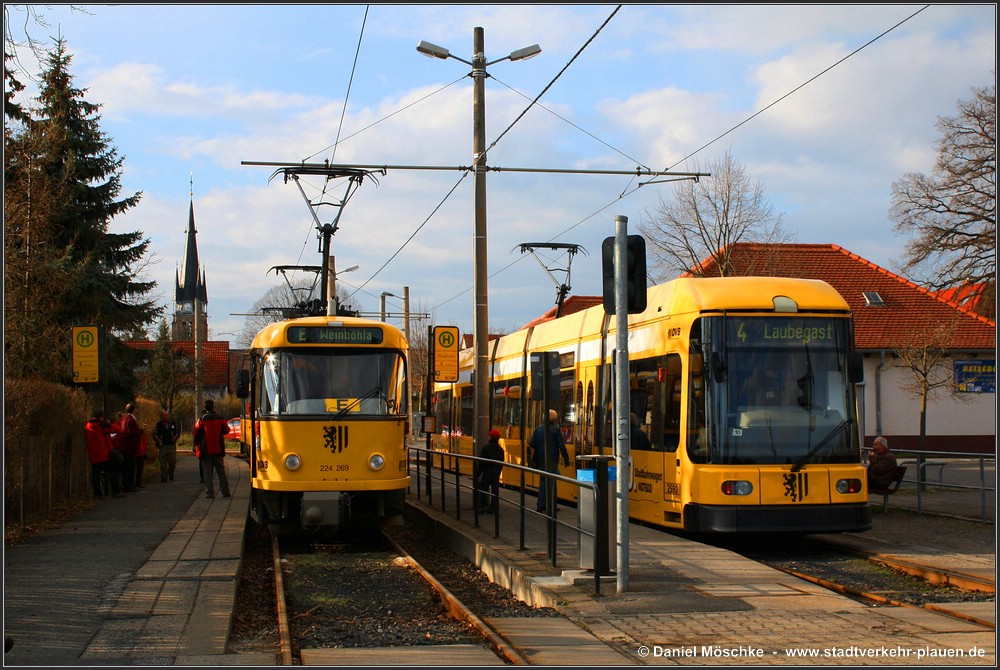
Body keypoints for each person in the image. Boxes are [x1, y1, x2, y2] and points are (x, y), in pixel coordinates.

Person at [529, 409, 569, 512]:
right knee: (551, 481)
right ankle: (551, 505)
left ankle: (541, 505)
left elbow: (531, 443)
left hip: (540, 459)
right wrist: (566, 458)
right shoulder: (555, 429)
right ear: (554, 419)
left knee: (543, 481)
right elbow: (561, 445)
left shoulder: (538, 429)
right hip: (552, 458)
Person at [194, 399, 231, 499]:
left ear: (205, 408)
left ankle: (210, 493)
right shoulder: (220, 418)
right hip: (218, 448)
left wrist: (196, 444)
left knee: (207, 472)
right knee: (221, 471)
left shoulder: (202, 419)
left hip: (205, 449)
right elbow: (227, 430)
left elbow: (196, 433)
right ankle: (225, 492)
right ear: (213, 406)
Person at [84, 410, 125, 499]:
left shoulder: (87, 426)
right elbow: (119, 430)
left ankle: (97, 494)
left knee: (95, 475)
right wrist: (109, 424)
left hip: (93, 456)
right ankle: (115, 491)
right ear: (101, 417)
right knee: (113, 472)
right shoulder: (102, 426)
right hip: (105, 455)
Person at [476, 429, 506, 513]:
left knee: (483, 488)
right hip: (496, 472)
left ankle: (484, 505)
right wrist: (499, 472)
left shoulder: (486, 448)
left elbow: (482, 462)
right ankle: (494, 507)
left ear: (491, 437)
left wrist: (479, 472)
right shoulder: (500, 450)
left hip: (487, 471)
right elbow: (501, 463)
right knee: (495, 490)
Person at [118, 403, 144, 492]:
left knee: (127, 467)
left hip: (126, 447)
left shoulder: (125, 419)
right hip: (130, 447)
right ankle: (129, 485)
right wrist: (140, 430)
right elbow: (131, 433)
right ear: (134, 410)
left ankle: (127, 484)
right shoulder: (131, 420)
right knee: (130, 467)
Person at [153, 410, 181, 482]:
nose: (166, 417)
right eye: (164, 415)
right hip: (163, 446)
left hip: (171, 445)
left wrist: (175, 437)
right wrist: (158, 440)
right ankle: (164, 476)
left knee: (172, 461)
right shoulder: (159, 424)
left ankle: (171, 473)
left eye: (167, 415)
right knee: (163, 463)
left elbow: (177, 432)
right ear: (162, 416)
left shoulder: (173, 423)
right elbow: (155, 434)